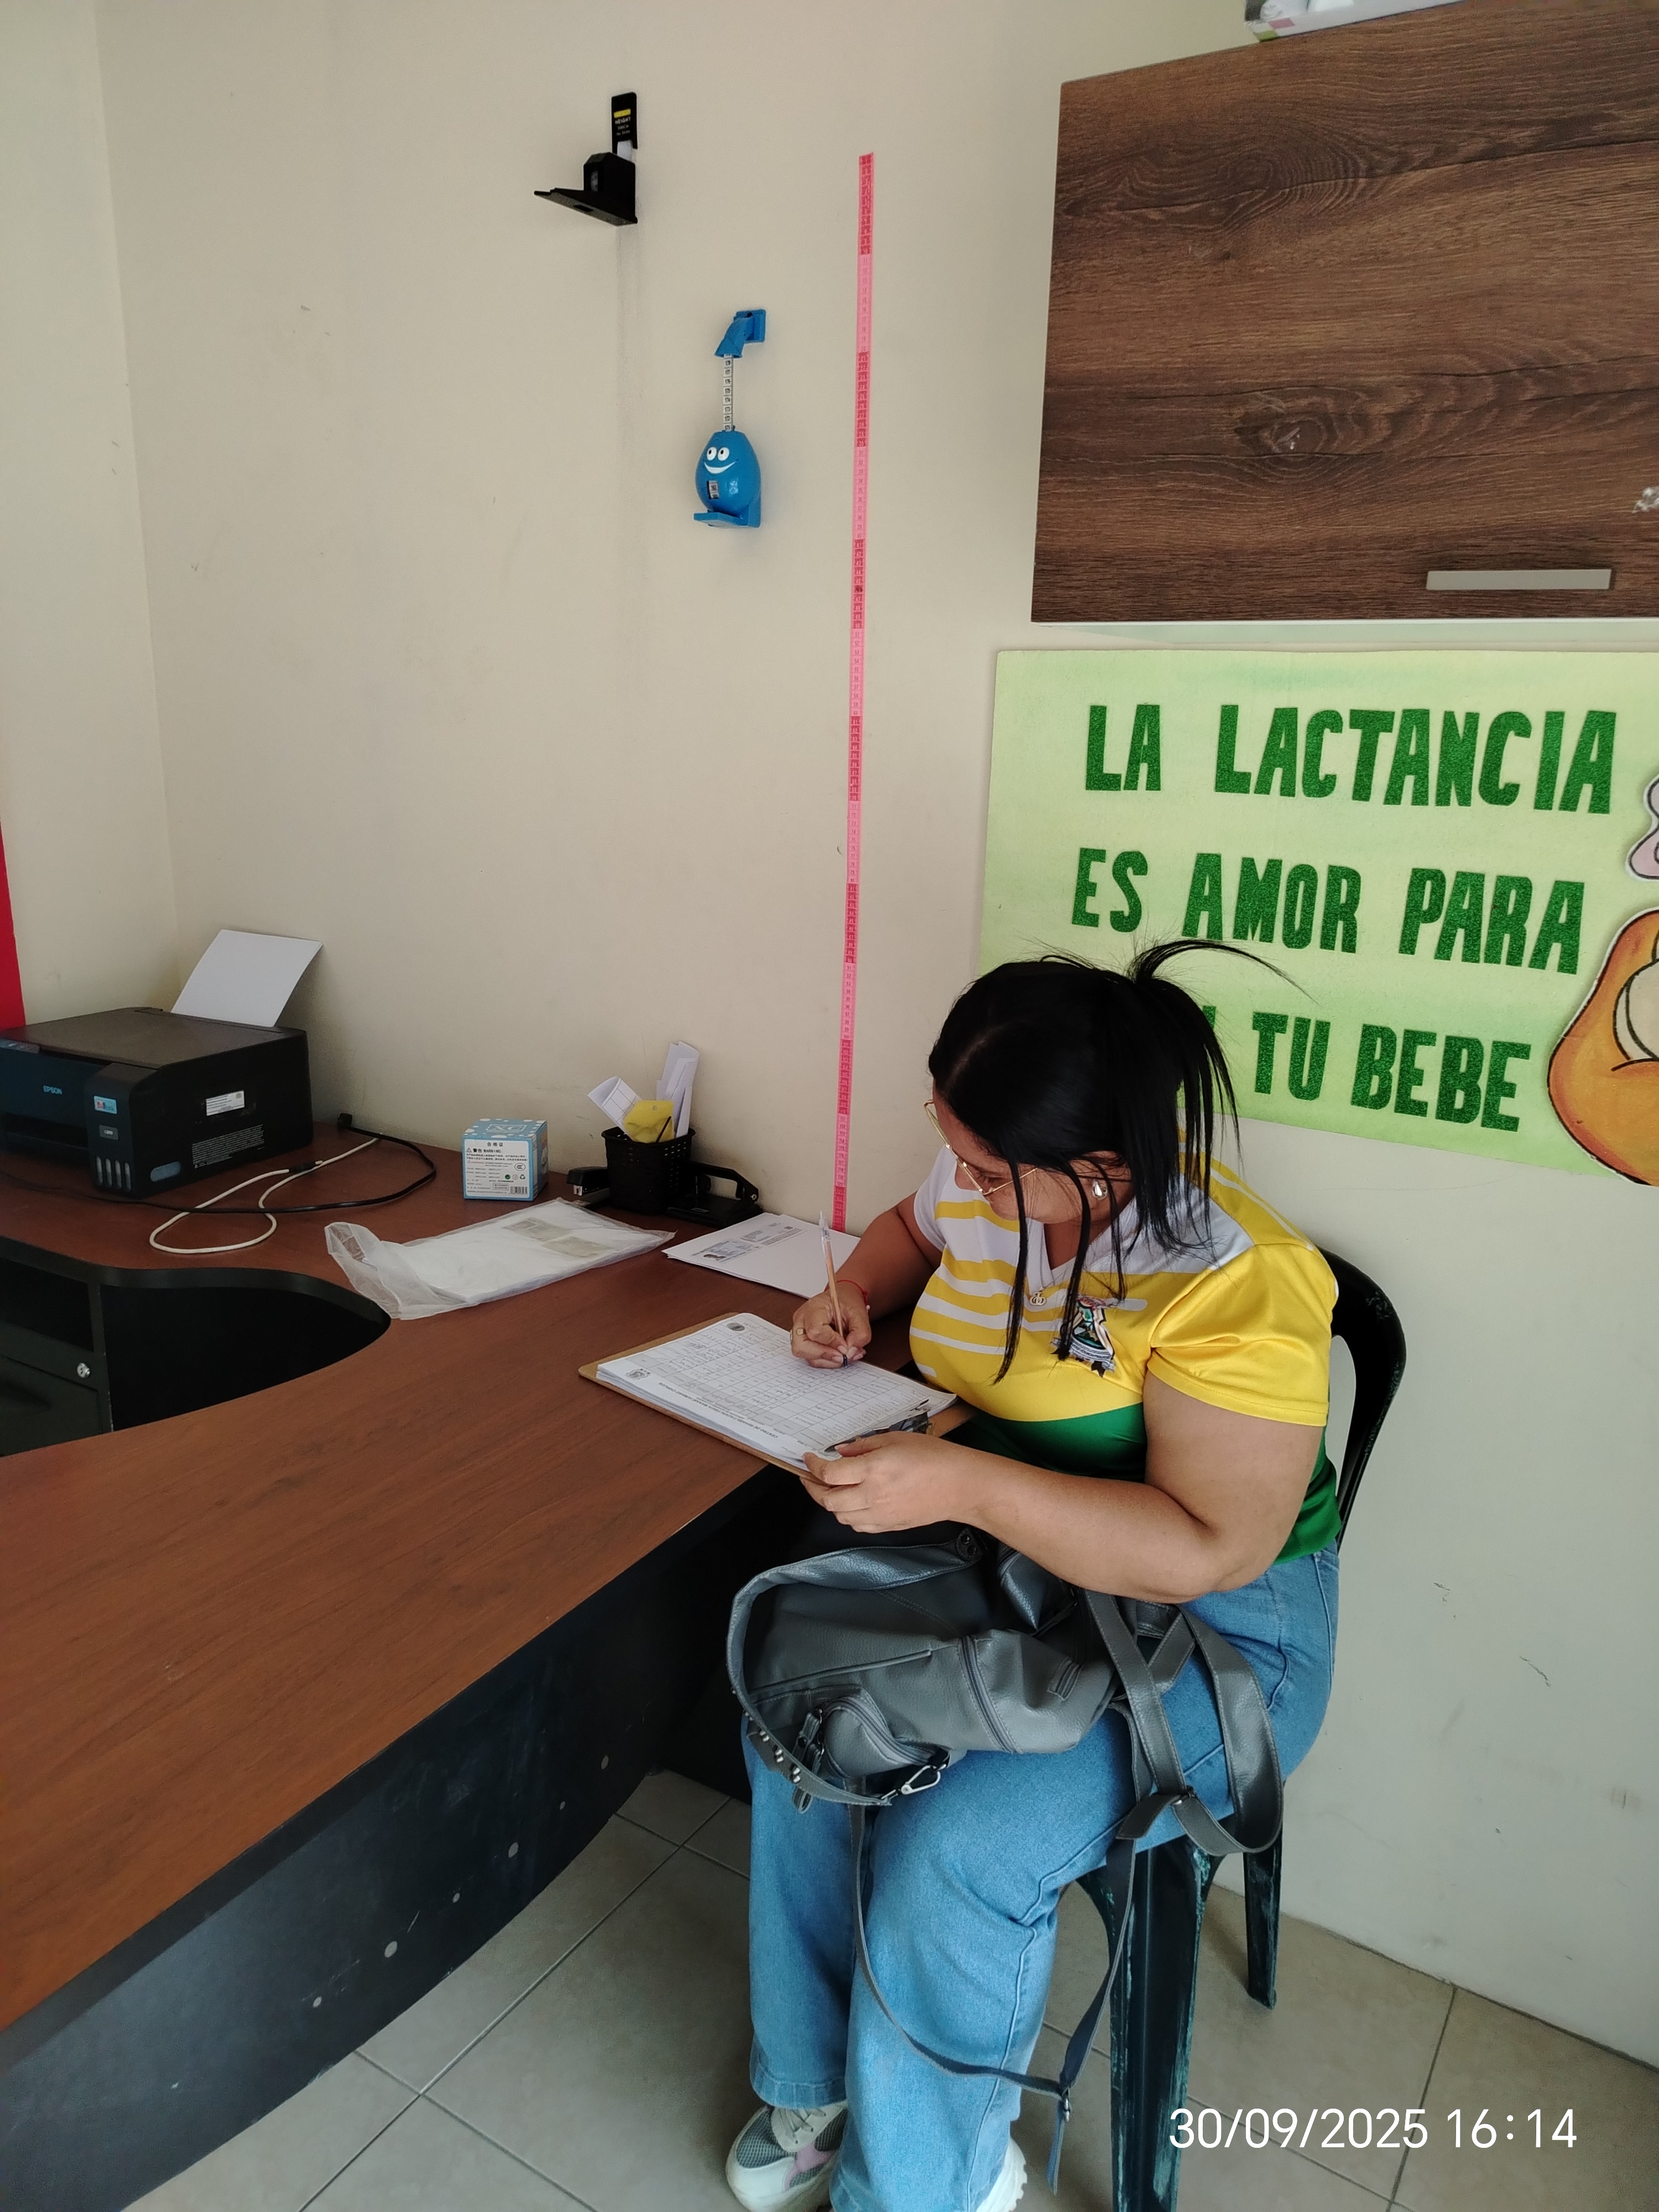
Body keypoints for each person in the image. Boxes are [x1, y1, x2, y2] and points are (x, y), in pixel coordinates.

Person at [724, 950, 1341, 2212]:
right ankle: (815, 2082)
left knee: (953, 1850)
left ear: (1104, 1163)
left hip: (1215, 1633)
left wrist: (962, 1485)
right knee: (798, 1716)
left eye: (994, 1173)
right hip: (1018, 1567)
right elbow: (909, 1233)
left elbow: (1210, 1545)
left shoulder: (1232, 1276)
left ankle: (925, 2184)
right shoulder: (988, 1179)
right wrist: (847, 1295)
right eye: (957, 1152)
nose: (968, 1188)